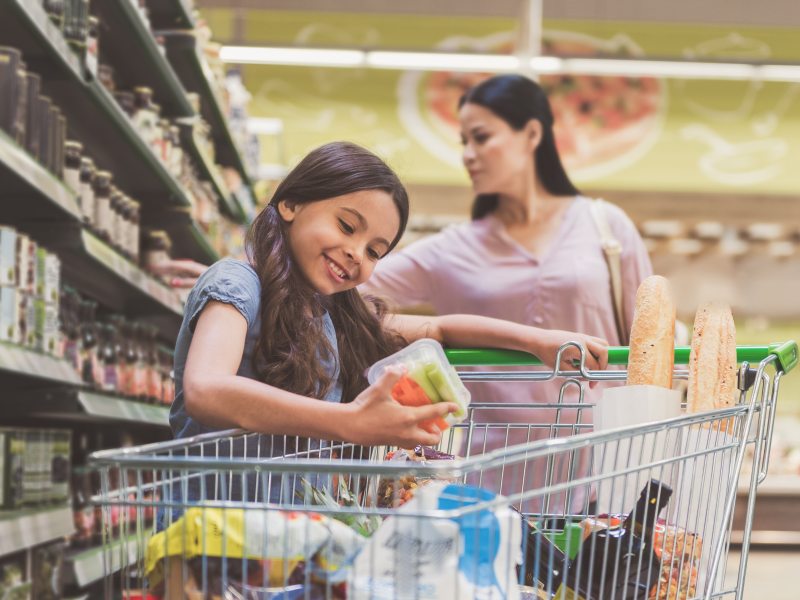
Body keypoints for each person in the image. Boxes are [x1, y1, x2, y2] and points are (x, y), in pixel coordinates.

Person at [172, 141, 607, 471]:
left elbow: (439, 330)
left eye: (376, 251)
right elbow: (206, 389)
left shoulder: (328, 314)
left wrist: (539, 341)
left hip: (286, 544)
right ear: (290, 203)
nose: (356, 253)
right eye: (346, 226)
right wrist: (349, 421)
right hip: (209, 537)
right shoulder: (237, 283)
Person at [360, 75, 653, 512]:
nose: (468, 155)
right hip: (486, 476)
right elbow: (343, 293)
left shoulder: (606, 227)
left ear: (532, 133)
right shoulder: (451, 249)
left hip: (601, 475)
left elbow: (647, 343)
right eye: (463, 141)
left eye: (481, 138)